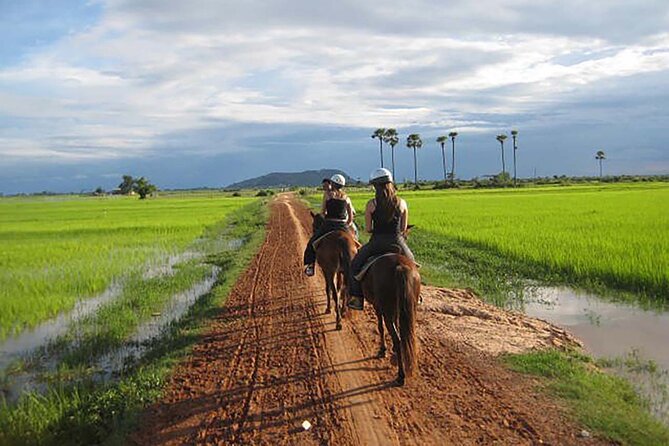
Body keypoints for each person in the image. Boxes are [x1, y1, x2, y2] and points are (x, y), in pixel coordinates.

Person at [347, 168, 415, 310]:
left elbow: (367, 229)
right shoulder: (402, 203)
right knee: (412, 264)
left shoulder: (371, 204)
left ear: (375, 186)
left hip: (377, 243)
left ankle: (357, 298)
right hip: (397, 242)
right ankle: (416, 295)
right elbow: (403, 229)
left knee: (354, 266)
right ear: (390, 183)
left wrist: (375, 230)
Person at [304, 174, 355, 276]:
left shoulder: (327, 195)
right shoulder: (346, 197)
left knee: (312, 243)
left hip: (329, 224)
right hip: (342, 225)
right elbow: (350, 218)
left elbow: (323, 212)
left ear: (332, 184)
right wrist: (346, 224)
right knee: (355, 243)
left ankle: (310, 266)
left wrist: (323, 216)